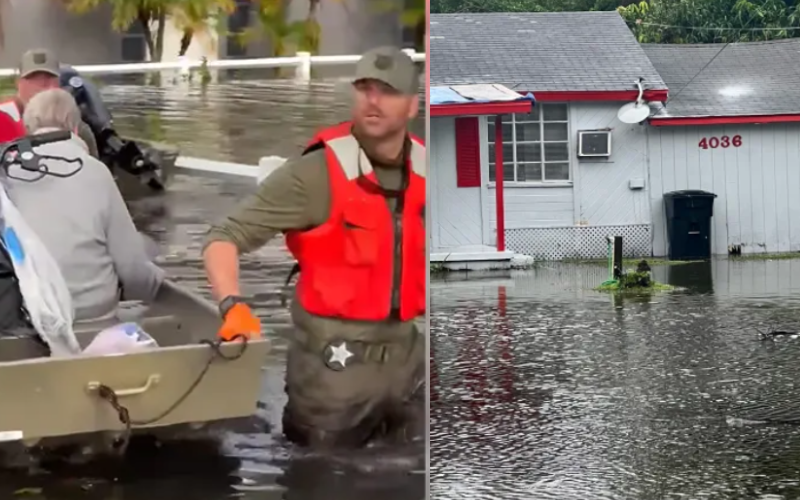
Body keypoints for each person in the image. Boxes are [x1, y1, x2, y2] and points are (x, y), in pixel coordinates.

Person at [202, 46, 426, 448]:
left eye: (387, 91)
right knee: (323, 479)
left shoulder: (429, 170)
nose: (372, 100)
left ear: (413, 105)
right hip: (332, 373)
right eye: (364, 88)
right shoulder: (314, 174)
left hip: (407, 366)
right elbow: (224, 237)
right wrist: (231, 306)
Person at [8, 88, 164, 322]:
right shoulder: (96, 171)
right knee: (146, 246)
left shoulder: (7, 174)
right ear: (75, 128)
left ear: (27, 129)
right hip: (93, 313)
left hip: (28, 316)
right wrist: (155, 287)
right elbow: (133, 269)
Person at [0, 48, 99, 157]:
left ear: (59, 83)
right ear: (18, 83)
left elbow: (94, 167)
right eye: (33, 78)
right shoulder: (3, 117)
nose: (42, 85)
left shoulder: (76, 126)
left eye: (49, 77)